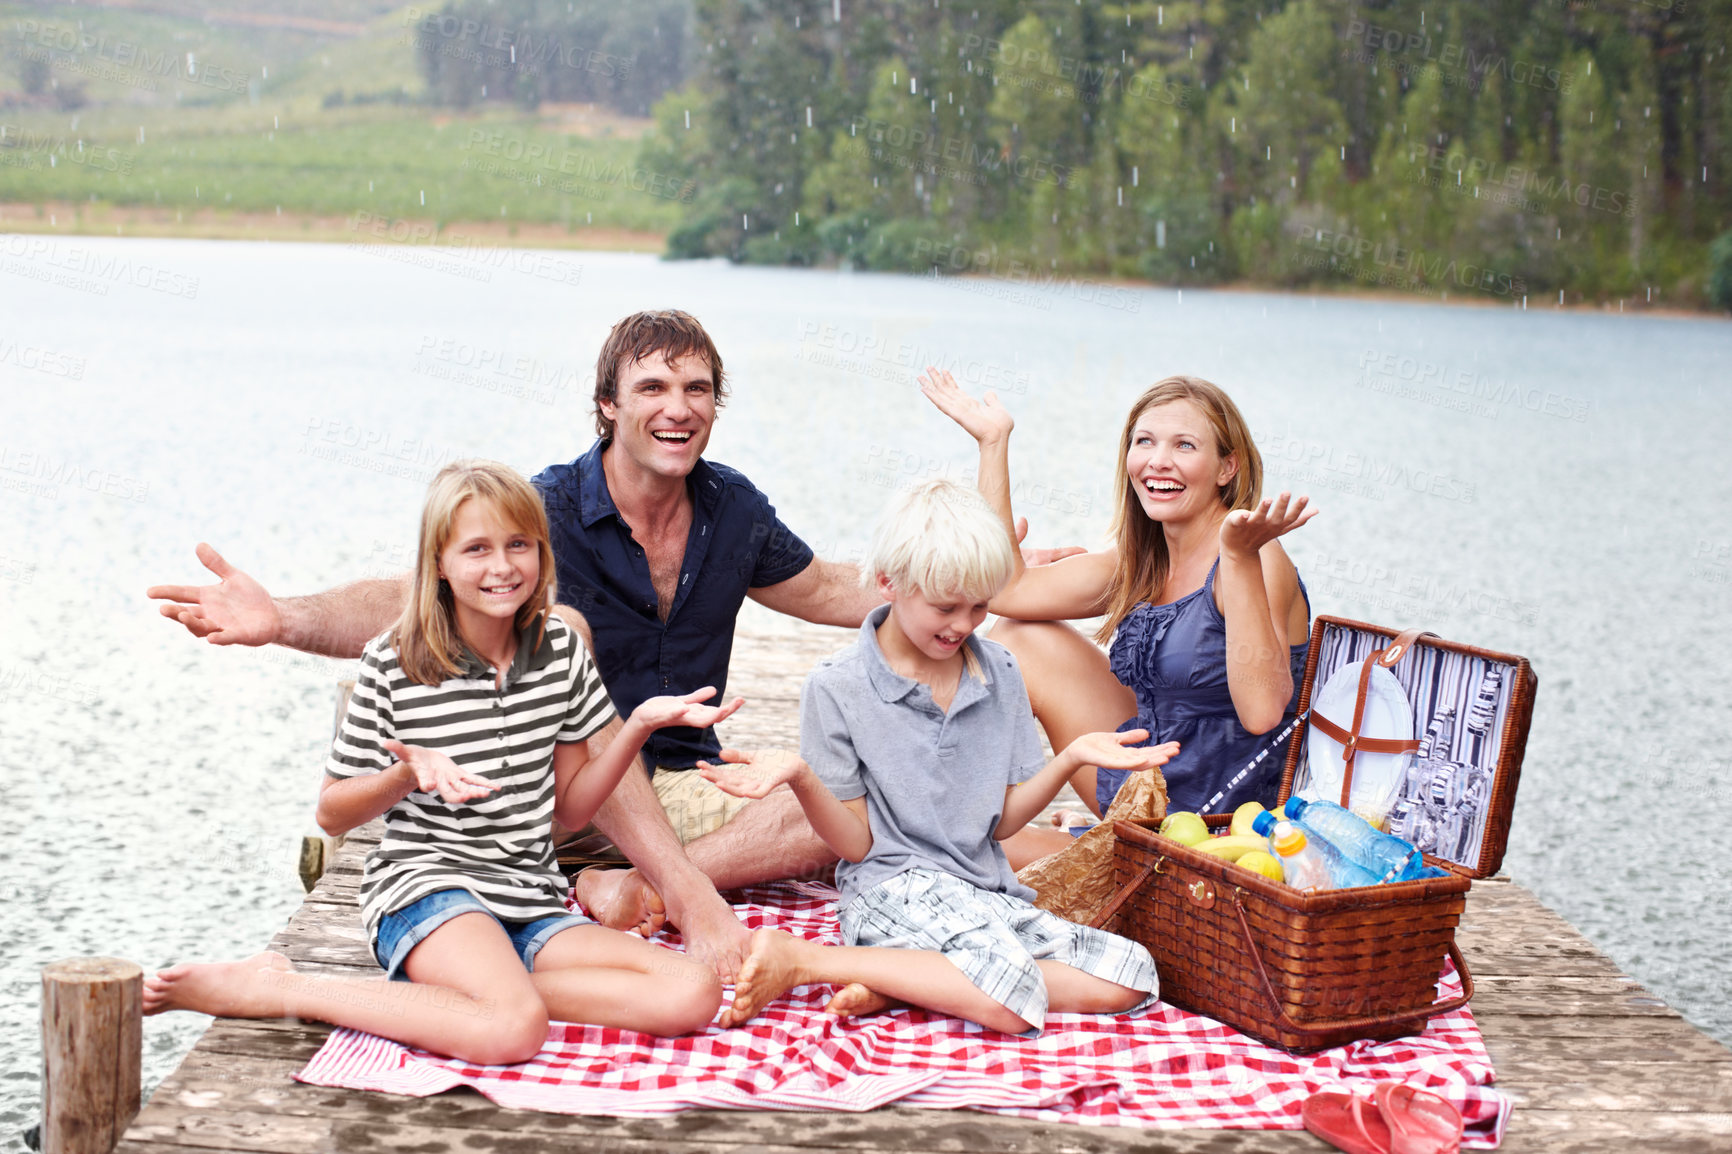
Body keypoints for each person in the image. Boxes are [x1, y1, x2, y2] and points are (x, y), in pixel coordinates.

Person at [147, 311, 1075, 975]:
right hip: (549, 791)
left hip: (679, 791)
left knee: (842, 802)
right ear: (607, 405)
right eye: (653, 388)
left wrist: (957, 576)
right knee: (571, 632)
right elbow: (412, 596)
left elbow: (837, 589)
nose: (678, 407)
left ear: (715, 407)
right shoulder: (546, 510)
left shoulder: (733, 510)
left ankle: (637, 887)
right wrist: (285, 619)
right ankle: (664, 887)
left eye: (698, 389)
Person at [143, 461, 731, 1061]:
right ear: (439, 565)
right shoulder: (393, 662)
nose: (501, 567)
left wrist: (636, 726)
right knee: (513, 1030)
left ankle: (474, 993)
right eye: (476, 549)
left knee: (691, 991)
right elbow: (331, 814)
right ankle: (284, 986)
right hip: (430, 889)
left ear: (540, 553)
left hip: (527, 896)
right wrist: (404, 775)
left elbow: (574, 810)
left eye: (518, 545)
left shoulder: (561, 654)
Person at [697, 480, 1167, 1034]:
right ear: (888, 583)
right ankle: (806, 959)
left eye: (979, 607)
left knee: (1134, 975)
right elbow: (857, 844)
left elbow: (1005, 821)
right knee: (1011, 998)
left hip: (984, 891)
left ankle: (907, 983)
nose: (964, 625)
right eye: (946, 607)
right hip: (892, 889)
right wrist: (801, 777)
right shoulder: (836, 687)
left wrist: (1069, 759)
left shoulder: (1002, 672)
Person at [919, 368, 1315, 864]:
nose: (1157, 461)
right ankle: (987, 792)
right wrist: (992, 443)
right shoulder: (1145, 560)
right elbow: (1006, 589)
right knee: (1019, 636)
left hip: (1221, 818)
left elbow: (1262, 713)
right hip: (1144, 778)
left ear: (1226, 468)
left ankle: (1090, 846)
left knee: (967, 841)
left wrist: (1237, 558)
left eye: (1185, 446)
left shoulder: (1256, 555)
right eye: (1144, 441)